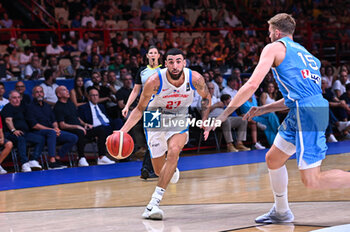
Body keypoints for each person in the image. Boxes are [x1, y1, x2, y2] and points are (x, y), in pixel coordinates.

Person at [205, 13, 350, 224]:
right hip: (306, 108)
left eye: (269, 31)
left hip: (307, 113)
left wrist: (225, 114)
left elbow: (252, 85)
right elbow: (299, 97)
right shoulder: (307, 55)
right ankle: (281, 212)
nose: (268, 35)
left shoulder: (273, 47)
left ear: (277, 32)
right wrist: (263, 108)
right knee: (273, 159)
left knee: (312, 180)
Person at [119, 48, 211, 220]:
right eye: (171, 61)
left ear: (184, 63)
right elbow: (139, 109)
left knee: (174, 150)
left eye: (178, 61)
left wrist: (205, 120)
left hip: (179, 115)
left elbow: (206, 97)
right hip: (154, 116)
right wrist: (123, 131)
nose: (175, 65)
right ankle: (171, 168)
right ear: (165, 63)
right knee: (158, 170)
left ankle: (153, 203)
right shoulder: (154, 81)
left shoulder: (195, 78)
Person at [122, 46, 162, 179]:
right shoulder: (142, 71)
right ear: (147, 56)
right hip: (150, 109)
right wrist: (127, 106)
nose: (153, 55)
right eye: (150, 53)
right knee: (154, 139)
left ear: (158, 55)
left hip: (165, 109)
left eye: (155, 53)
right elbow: (135, 91)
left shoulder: (164, 70)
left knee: (163, 139)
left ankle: (157, 168)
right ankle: (147, 168)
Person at [26, 86, 78, 169]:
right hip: (38, 132)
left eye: (41, 92)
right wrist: (52, 130)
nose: (39, 94)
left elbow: (54, 120)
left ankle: (58, 158)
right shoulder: (30, 107)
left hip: (51, 131)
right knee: (52, 133)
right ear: (33, 95)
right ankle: (52, 162)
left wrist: (56, 128)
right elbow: (35, 125)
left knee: (73, 137)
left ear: (43, 94)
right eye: (37, 92)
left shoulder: (47, 106)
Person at [2, 90, 44, 172]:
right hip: (10, 134)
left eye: (18, 97)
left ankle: (33, 160)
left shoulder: (23, 107)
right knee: (20, 138)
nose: (17, 100)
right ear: (10, 99)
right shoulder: (8, 107)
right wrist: (14, 130)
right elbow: (8, 120)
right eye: (14, 98)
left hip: (25, 132)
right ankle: (24, 163)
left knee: (40, 139)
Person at [77, 88, 115, 165]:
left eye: (96, 95)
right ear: (88, 97)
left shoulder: (101, 106)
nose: (95, 97)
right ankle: (101, 157)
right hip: (93, 129)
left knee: (119, 124)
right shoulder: (83, 108)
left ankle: (124, 157)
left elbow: (106, 118)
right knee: (102, 130)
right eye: (93, 95)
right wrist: (85, 124)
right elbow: (81, 121)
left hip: (107, 126)